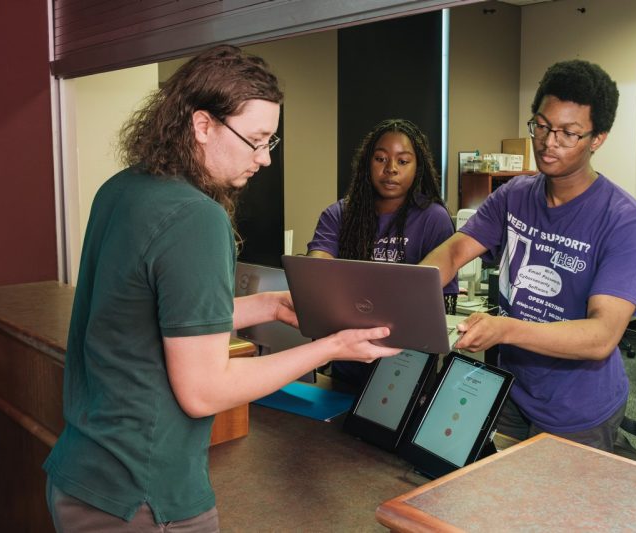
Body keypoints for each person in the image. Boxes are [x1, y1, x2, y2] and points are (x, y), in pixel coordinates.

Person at [42, 45, 400, 532]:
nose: (265, 159)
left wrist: (270, 305)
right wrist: (333, 347)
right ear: (202, 124)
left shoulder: (123, 189)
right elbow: (204, 390)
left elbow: (156, 317)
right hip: (144, 495)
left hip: (83, 474)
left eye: (271, 142)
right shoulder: (196, 217)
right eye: (255, 140)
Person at [421, 60, 636, 452]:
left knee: (554, 511)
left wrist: (504, 329)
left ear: (597, 139)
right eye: (542, 126)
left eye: (568, 133)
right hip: (512, 390)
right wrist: (410, 294)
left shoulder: (625, 222)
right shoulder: (515, 195)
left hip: (578, 409)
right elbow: (455, 249)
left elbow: (600, 336)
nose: (549, 142)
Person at [307, 118, 458, 387]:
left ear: (417, 167)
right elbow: (317, 273)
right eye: (380, 159)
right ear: (368, 163)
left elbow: (437, 301)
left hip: (405, 366)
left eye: (403, 161)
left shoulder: (433, 218)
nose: (390, 169)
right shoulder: (339, 214)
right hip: (347, 357)